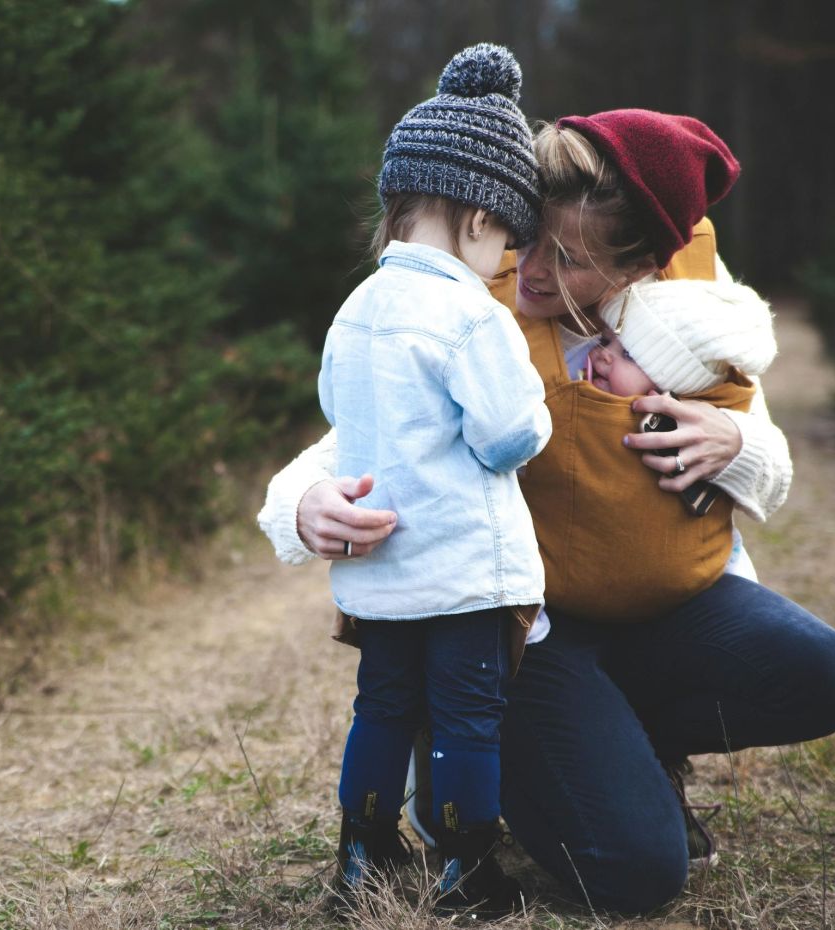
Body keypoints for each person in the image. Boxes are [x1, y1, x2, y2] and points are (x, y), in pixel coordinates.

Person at [259, 108, 835, 915]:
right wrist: (300, 504)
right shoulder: (476, 303)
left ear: (641, 266)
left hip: (667, 610)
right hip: (528, 632)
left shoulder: (690, 317)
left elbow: (770, 461)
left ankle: (630, 744)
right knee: (637, 875)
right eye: (529, 239)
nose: (532, 269)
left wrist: (737, 442)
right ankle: (528, 751)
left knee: (823, 673)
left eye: (569, 259)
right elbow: (365, 430)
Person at [319, 44, 549, 916]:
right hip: (461, 572)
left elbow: (338, 410)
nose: (505, 263)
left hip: (380, 573)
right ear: (481, 217)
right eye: (509, 242)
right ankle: (465, 866)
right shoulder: (468, 313)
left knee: (380, 706)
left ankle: (362, 851)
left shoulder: (356, 308)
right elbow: (506, 436)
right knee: (463, 719)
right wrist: (535, 407)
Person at [550, 276, 778, 623]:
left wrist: (738, 443)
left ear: (671, 388)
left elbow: (770, 485)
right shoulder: (571, 382)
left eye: (627, 354)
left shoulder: (694, 422)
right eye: (606, 340)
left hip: (699, 585)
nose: (602, 356)